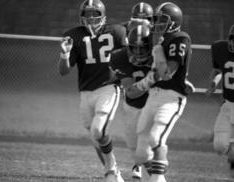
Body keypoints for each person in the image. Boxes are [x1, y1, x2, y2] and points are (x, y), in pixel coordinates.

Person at [58, 0, 127, 182]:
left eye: (94, 13)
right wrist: (64, 54)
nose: (90, 18)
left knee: (98, 130)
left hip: (108, 88)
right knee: (95, 137)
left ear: (102, 15)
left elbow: (129, 58)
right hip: (86, 92)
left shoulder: (117, 32)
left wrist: (127, 78)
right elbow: (64, 71)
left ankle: (111, 170)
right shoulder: (73, 36)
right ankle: (112, 171)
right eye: (86, 14)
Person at [130, 2, 194, 182]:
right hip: (154, 95)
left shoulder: (180, 38)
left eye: (162, 20)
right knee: (141, 152)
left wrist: (143, 84)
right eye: (156, 19)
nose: (157, 23)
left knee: (155, 138)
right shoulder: (159, 38)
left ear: (173, 21)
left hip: (171, 98)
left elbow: (167, 73)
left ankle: (157, 179)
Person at [109, 22, 154, 180]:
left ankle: (157, 177)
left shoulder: (159, 54)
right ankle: (149, 172)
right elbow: (131, 92)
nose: (138, 52)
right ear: (129, 47)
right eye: (134, 47)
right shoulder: (119, 57)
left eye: (142, 48)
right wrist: (151, 79)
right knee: (135, 149)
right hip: (132, 107)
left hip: (153, 106)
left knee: (145, 149)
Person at [206, 24, 234, 177]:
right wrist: (213, 83)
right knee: (219, 146)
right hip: (228, 104)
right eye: (233, 39)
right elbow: (219, 71)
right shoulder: (220, 49)